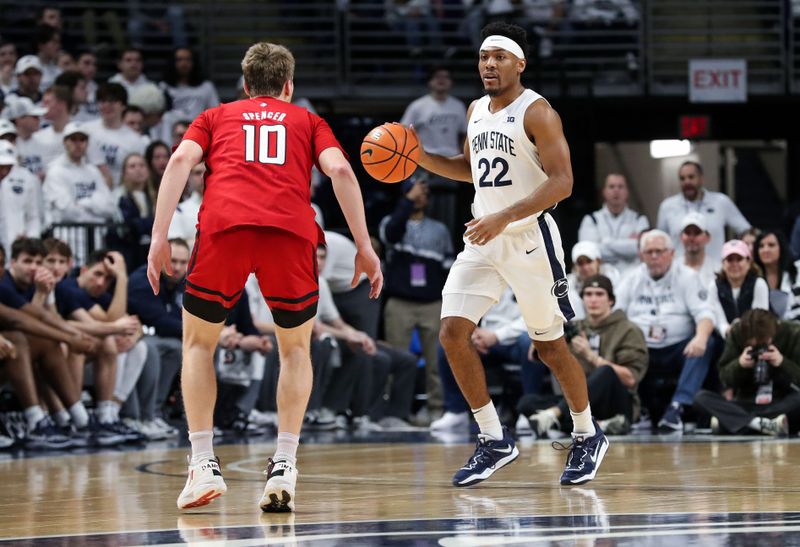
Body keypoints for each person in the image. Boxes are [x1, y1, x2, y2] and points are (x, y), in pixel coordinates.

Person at [147, 42, 382, 512]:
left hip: (224, 229)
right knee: (295, 348)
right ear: (289, 87)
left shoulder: (215, 116)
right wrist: (364, 245)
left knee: (198, 344)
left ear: (245, 84)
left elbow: (178, 163)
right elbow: (339, 169)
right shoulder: (308, 122)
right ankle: (285, 463)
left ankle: (202, 463)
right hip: (289, 234)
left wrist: (158, 237)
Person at [409, 22, 608, 487]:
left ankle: (586, 433)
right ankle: (493, 438)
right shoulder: (476, 109)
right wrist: (421, 157)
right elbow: (470, 170)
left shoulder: (538, 111)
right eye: (483, 57)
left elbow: (563, 182)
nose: (489, 64)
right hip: (483, 236)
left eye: (499, 56)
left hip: (530, 239)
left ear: (520, 63)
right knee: (452, 333)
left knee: (549, 347)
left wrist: (505, 217)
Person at [519, 275, 648, 437]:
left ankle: (556, 414)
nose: (593, 299)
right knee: (526, 403)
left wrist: (591, 357)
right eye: (588, 294)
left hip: (616, 403)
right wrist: (543, 339)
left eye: (599, 294)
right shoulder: (574, 327)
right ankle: (599, 425)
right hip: (581, 401)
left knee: (606, 371)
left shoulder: (629, 330)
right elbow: (534, 357)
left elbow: (630, 379)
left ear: (611, 301)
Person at [615, 229, 716, 432]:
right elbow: (616, 313)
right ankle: (639, 409)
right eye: (649, 252)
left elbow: (705, 313)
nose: (654, 257)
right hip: (643, 348)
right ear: (641, 255)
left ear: (671, 253)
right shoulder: (631, 278)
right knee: (618, 344)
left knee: (708, 342)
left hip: (678, 347)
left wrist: (700, 337)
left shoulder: (688, 277)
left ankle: (677, 407)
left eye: (659, 251)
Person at [379, 176, 453, 422]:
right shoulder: (392, 221)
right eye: (414, 191)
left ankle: (436, 411)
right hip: (400, 302)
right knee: (398, 360)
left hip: (432, 303)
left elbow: (447, 267)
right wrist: (406, 203)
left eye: (424, 192)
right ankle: (396, 411)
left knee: (436, 362)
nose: (420, 195)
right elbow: (390, 236)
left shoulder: (439, 229)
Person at [694, 309, 800, 436]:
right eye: (754, 344)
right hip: (746, 402)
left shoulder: (794, 333)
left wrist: (782, 362)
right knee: (699, 398)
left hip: (780, 403)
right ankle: (763, 425)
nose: (760, 347)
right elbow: (724, 378)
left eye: (764, 343)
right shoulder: (736, 333)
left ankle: (737, 423)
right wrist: (739, 364)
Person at [656, 161, 750, 262]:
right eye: (682, 178)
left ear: (701, 178)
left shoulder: (721, 202)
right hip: (679, 272)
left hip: (716, 271)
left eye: (691, 177)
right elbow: (659, 243)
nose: (687, 182)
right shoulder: (667, 206)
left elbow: (746, 231)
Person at [577, 173, 649, 276]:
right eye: (611, 186)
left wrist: (606, 242)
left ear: (627, 192)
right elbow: (587, 252)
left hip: (632, 277)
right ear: (604, 192)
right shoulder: (591, 220)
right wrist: (628, 247)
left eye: (620, 186)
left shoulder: (639, 219)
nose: (616, 190)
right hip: (599, 278)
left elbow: (642, 249)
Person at [708, 239, 769, 338]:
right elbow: (718, 320)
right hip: (724, 338)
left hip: (755, 336)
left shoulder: (759, 284)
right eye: (730, 259)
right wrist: (728, 331)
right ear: (723, 264)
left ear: (748, 262)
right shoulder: (714, 286)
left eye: (739, 259)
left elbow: (759, 317)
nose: (734, 264)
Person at [753, 230, 800, 321]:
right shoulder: (752, 277)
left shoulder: (798, 270)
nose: (766, 250)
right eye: (761, 246)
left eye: (771, 245)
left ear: (781, 248)